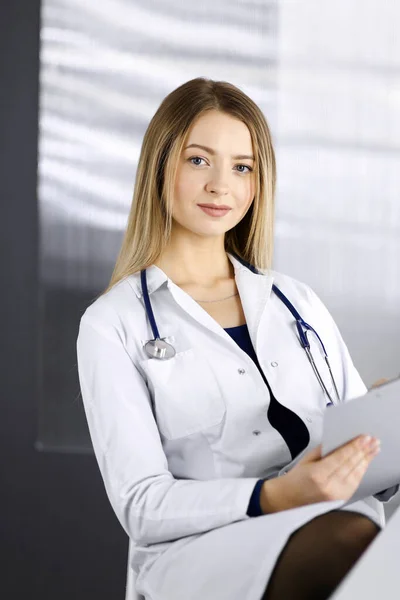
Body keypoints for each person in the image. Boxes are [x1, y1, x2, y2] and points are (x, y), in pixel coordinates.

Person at [76, 77, 398, 600]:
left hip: (333, 528)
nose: (221, 185)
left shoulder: (297, 303)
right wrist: (273, 497)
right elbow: (141, 504)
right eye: (199, 160)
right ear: (162, 164)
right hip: (201, 551)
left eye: (242, 167)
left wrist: (383, 436)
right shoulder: (114, 324)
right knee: (354, 542)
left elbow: (361, 468)